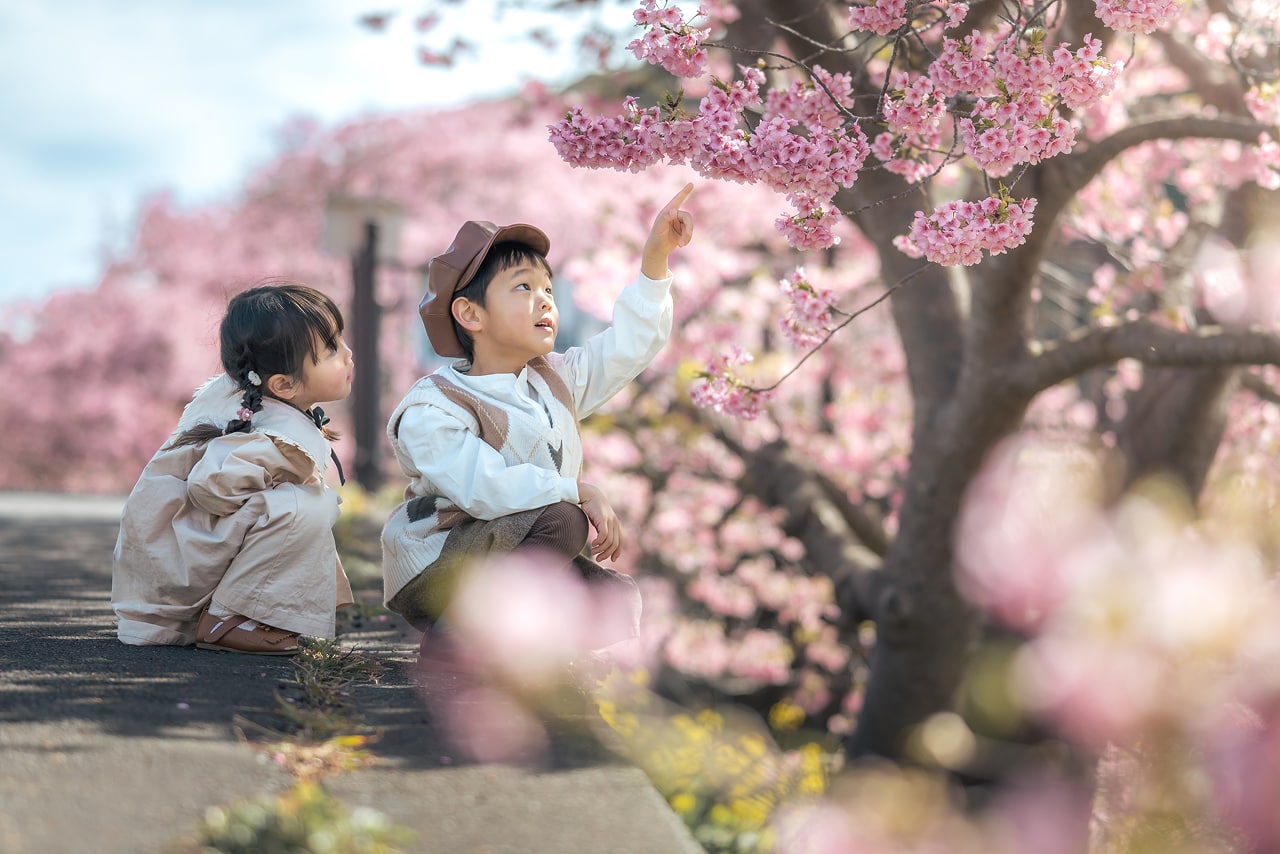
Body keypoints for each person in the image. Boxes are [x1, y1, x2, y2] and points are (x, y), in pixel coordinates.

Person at [381, 183, 695, 655]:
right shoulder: (435, 406)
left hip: (503, 551)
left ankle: (499, 641)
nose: (546, 300)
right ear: (470, 314)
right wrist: (577, 490)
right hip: (440, 563)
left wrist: (655, 260)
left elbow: (627, 348)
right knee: (565, 521)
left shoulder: (552, 381)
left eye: (548, 288)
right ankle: (454, 637)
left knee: (605, 602)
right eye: (523, 287)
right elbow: (483, 488)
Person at [112, 282, 355, 655]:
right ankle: (229, 619)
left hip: (171, 564)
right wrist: (262, 496)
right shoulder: (270, 434)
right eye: (332, 349)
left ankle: (241, 613)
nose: (348, 354)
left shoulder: (251, 407)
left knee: (296, 503)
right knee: (307, 506)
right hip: (178, 570)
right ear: (284, 384)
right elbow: (210, 487)